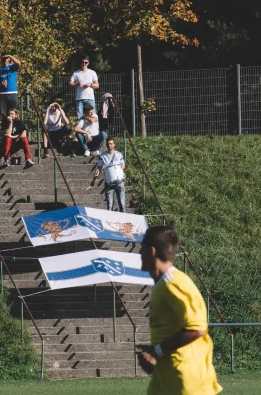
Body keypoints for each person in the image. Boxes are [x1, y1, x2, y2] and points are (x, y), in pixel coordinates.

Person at [138, 226, 223, 395]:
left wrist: (157, 351)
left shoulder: (174, 282)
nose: (139, 253)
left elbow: (197, 329)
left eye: (141, 249)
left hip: (187, 383)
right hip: (166, 380)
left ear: (151, 251)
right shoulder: (162, 285)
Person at [95, 138, 125, 212]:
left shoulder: (119, 154)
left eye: (111, 144)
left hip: (119, 182)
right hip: (109, 183)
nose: (109, 145)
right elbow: (99, 167)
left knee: (122, 203)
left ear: (114, 145)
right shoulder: (103, 155)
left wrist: (120, 171)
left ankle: (124, 220)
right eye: (108, 144)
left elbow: (123, 164)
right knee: (110, 205)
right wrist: (96, 174)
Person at [0, 52, 22, 118]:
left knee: (13, 113)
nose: (5, 60)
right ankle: (5, 127)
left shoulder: (12, 67)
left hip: (12, 93)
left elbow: (18, 63)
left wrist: (9, 55)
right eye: (3, 58)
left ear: (9, 59)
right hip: (1, 94)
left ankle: (14, 127)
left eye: (6, 58)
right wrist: (0, 84)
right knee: (3, 115)